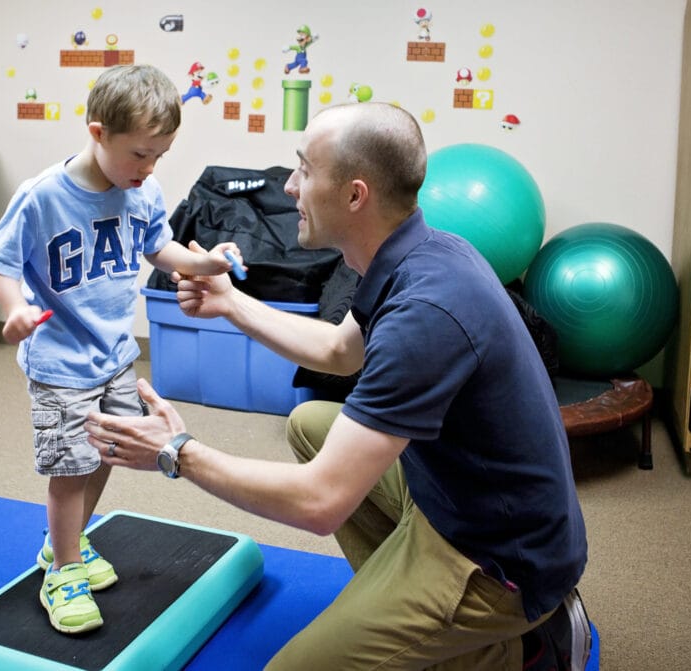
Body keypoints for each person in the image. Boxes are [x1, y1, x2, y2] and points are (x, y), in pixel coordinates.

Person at [85, 101, 589, 669]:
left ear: (355, 195)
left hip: (498, 560)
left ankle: (520, 647)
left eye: (304, 169)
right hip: (460, 497)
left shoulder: (425, 312)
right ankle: (418, 620)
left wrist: (175, 452)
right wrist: (230, 303)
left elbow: (319, 502)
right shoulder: (418, 251)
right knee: (310, 425)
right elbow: (338, 352)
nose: (291, 187)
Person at [0, 63, 240, 635]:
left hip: (116, 355)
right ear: (98, 133)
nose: (148, 169)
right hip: (61, 364)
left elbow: (161, 248)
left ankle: (61, 545)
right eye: (139, 155)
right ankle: (63, 570)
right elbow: (0, 261)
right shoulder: (43, 197)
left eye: (159, 157)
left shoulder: (141, 190)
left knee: (108, 453)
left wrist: (205, 262)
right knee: (71, 468)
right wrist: (14, 309)